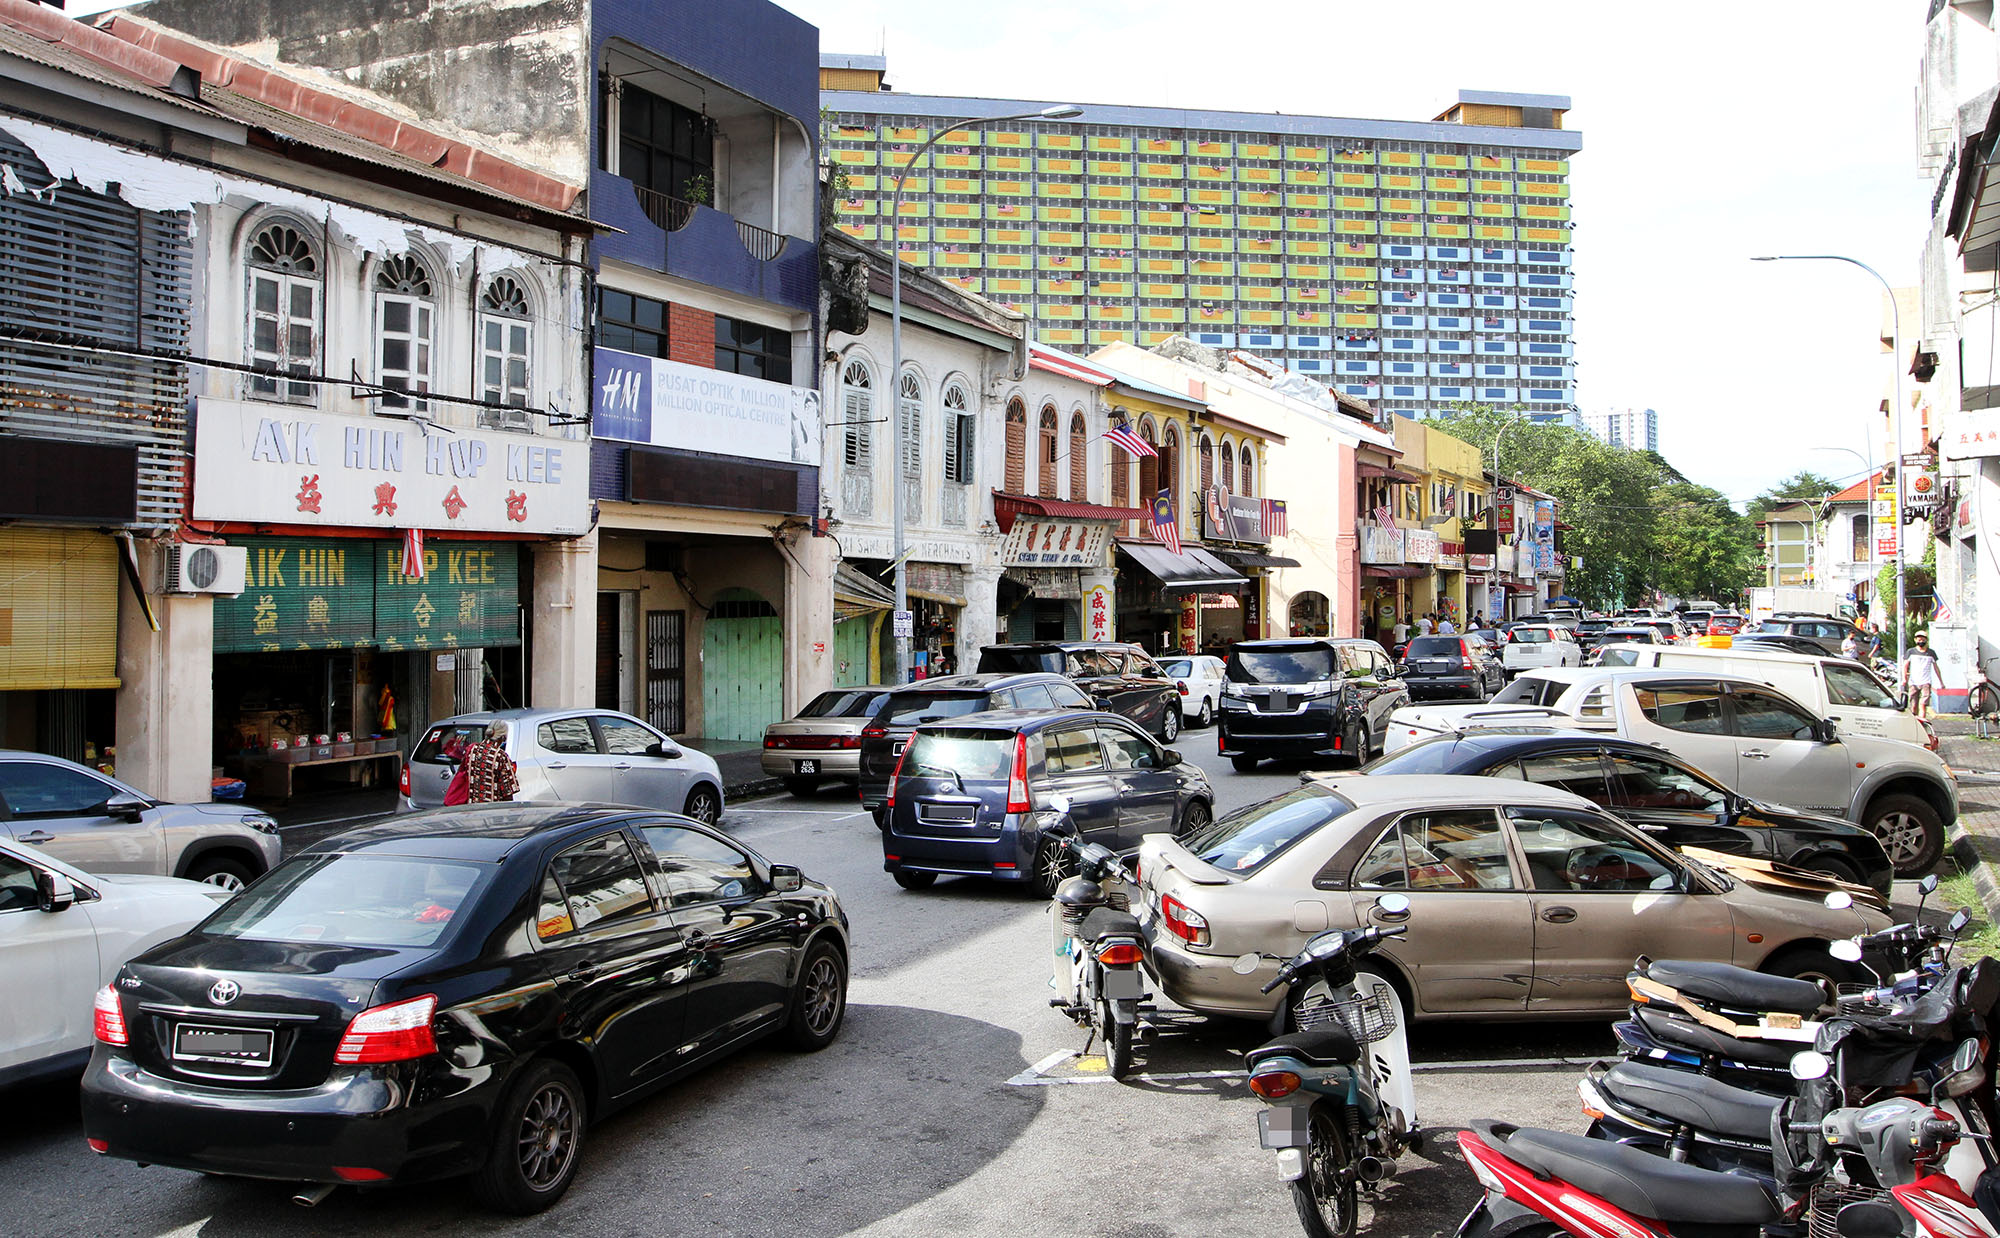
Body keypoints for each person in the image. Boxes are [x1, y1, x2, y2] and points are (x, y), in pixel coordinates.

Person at [464, 720, 520, 803]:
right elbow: (508, 791)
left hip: (472, 808)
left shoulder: (472, 750)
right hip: (493, 810)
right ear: (503, 737)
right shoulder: (501, 756)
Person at [1902, 633, 1942, 720]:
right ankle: (1914, 721)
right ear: (1915, 640)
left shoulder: (1931, 653)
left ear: (1926, 641)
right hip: (1913, 683)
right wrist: (1904, 679)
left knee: (1923, 704)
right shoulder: (1910, 652)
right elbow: (1905, 666)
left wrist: (1941, 682)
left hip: (1926, 682)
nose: (1921, 642)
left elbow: (1936, 667)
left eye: (1923, 640)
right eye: (1919, 640)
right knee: (1913, 705)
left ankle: (1922, 723)